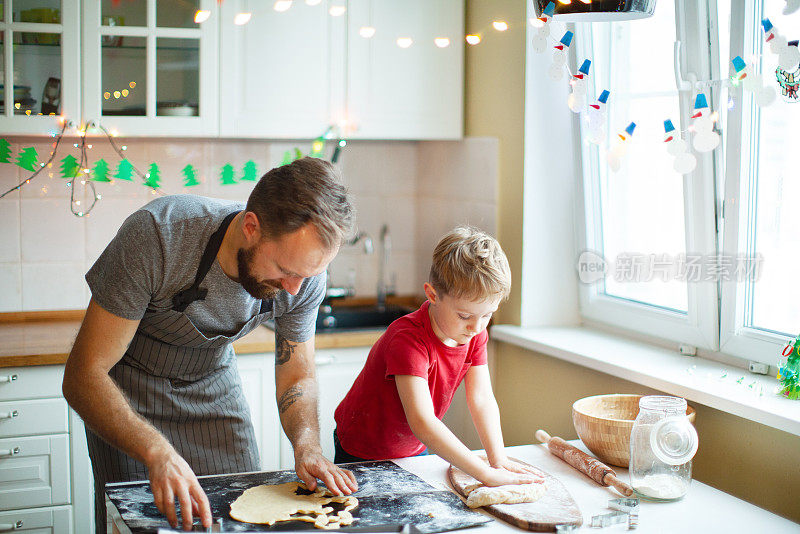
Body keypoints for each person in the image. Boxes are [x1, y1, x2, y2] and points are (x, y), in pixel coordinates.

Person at [63, 157, 359, 533]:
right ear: (251, 227)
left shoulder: (303, 274)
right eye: (286, 271)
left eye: (308, 275)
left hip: (213, 386)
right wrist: (156, 452)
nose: (294, 288)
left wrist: (308, 446)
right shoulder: (159, 236)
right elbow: (83, 374)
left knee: (239, 517)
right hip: (128, 394)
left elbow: (297, 374)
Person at [333, 227, 543, 487]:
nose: (476, 327)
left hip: (413, 446)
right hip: (362, 449)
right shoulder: (408, 340)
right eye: (465, 315)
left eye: (487, 315)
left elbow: (481, 399)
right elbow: (422, 420)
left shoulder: (474, 334)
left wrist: (497, 458)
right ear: (432, 295)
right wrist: (484, 473)